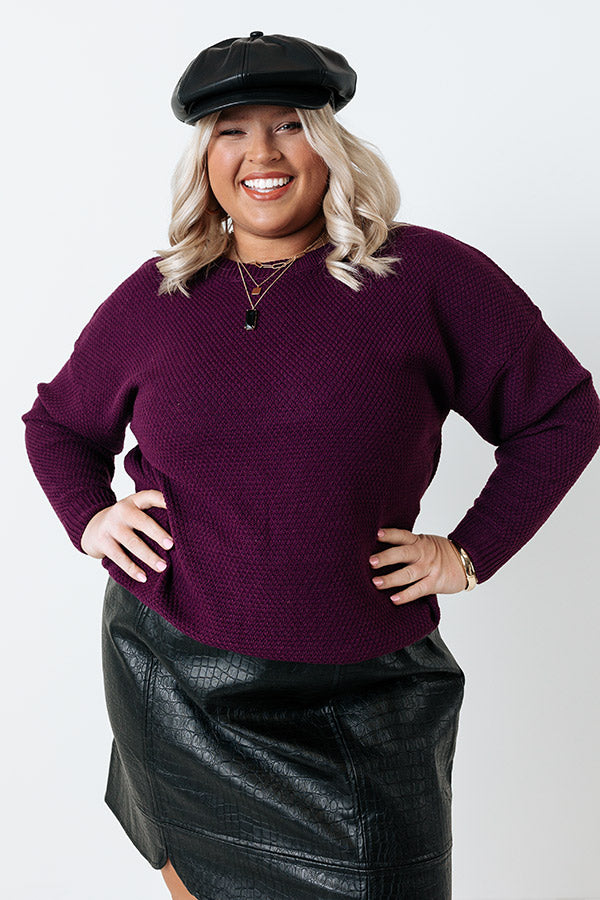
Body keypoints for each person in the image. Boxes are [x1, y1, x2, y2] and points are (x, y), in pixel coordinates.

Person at [21, 30, 600, 900]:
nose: (261, 154)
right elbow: (58, 423)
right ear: (205, 158)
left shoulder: (424, 275)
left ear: (330, 144)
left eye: (289, 125)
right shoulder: (160, 294)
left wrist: (469, 552)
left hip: (367, 693)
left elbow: (562, 413)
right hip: (176, 675)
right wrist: (90, 516)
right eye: (231, 130)